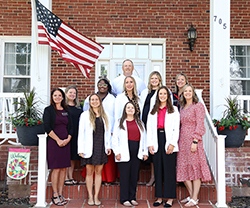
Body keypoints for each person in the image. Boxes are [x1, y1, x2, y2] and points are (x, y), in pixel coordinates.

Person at [176, 84, 211, 207]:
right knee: (183, 167)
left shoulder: (198, 106)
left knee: (195, 168)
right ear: (183, 93)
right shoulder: (182, 108)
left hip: (193, 141)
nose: (187, 93)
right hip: (182, 141)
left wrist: (195, 141)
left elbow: (200, 125)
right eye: (185, 91)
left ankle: (195, 197)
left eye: (190, 91)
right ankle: (192, 196)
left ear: (193, 93)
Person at [147, 86, 180, 207]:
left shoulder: (174, 110)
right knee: (158, 169)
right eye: (160, 94)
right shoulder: (152, 111)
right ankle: (159, 197)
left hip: (168, 140)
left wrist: (172, 143)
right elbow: (149, 129)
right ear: (157, 96)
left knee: (169, 170)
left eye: (164, 94)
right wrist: (150, 144)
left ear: (168, 96)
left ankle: (170, 198)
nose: (162, 96)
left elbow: (176, 128)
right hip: (156, 140)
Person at [78, 93, 112, 206]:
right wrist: (80, 149)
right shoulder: (84, 115)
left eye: (96, 99)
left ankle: (96, 196)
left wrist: (108, 146)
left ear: (100, 101)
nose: (94, 101)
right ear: (89, 102)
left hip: (101, 146)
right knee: (89, 172)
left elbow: (108, 133)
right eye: (92, 100)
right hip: (88, 147)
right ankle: (90, 196)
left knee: (98, 172)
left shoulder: (105, 114)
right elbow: (81, 133)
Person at [112, 101, 148, 207]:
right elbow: (115, 139)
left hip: (136, 152)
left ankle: (132, 197)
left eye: (132, 107)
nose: (130, 109)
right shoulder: (119, 122)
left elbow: (144, 139)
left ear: (135, 110)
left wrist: (144, 152)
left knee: (134, 176)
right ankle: (124, 198)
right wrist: (117, 152)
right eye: (128, 107)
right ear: (125, 110)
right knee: (124, 176)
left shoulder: (140, 122)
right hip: (123, 152)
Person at [83, 77, 116, 185]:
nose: (102, 87)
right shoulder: (90, 98)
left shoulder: (113, 99)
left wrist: (113, 130)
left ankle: (108, 179)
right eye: (100, 85)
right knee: (92, 156)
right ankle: (93, 179)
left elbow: (116, 115)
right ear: (97, 86)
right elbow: (85, 113)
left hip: (108, 130)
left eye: (104, 85)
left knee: (106, 155)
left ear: (108, 86)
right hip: (92, 131)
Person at [43, 88, 73, 206]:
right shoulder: (49, 110)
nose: (57, 97)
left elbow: (71, 126)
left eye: (59, 95)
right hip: (54, 143)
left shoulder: (66, 110)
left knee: (64, 168)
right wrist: (58, 140)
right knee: (56, 168)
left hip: (66, 142)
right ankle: (54, 194)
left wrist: (68, 138)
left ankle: (60, 194)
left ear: (62, 97)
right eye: (55, 95)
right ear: (52, 97)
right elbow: (47, 127)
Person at [140, 71, 163, 187]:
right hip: (144, 124)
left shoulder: (162, 92)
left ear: (159, 80)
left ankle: (155, 177)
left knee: (155, 152)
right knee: (148, 150)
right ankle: (152, 176)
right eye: (152, 78)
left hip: (156, 125)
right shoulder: (145, 92)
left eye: (156, 78)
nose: (154, 80)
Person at [64, 85, 82, 186]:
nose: (72, 94)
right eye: (70, 92)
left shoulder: (78, 106)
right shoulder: (63, 106)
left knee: (74, 156)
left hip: (77, 133)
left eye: (74, 93)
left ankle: (70, 176)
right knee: (67, 155)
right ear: (66, 94)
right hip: (67, 134)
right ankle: (66, 177)